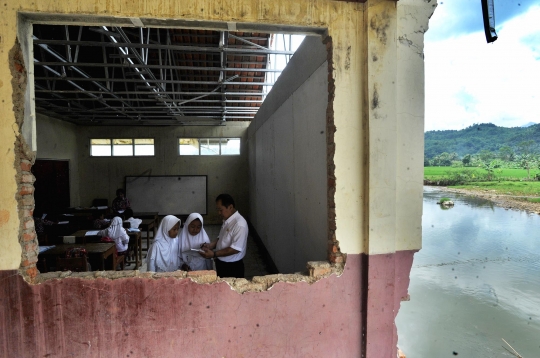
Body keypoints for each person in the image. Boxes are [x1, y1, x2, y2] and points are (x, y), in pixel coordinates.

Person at [200, 194, 248, 278]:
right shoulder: (227, 220)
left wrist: (214, 254)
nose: (219, 213)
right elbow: (221, 237)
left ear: (230, 207)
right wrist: (211, 245)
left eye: (220, 210)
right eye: (217, 210)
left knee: (231, 290)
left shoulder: (239, 224)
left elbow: (235, 249)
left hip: (232, 267)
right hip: (222, 263)